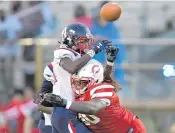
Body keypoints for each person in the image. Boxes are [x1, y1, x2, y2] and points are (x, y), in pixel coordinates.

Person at [34, 22, 115, 133]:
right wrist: (93, 51)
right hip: (64, 112)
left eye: (87, 41)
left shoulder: (83, 60)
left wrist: (110, 63)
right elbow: (71, 67)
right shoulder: (62, 57)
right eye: (83, 41)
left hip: (75, 111)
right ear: (70, 41)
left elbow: (104, 80)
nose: (86, 44)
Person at [43, 58, 147, 133]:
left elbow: (93, 107)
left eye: (83, 82)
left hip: (130, 130)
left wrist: (64, 103)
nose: (78, 86)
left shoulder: (102, 88)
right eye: (76, 82)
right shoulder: (79, 92)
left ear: (96, 79)